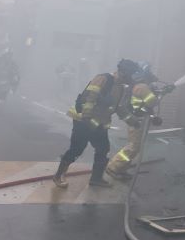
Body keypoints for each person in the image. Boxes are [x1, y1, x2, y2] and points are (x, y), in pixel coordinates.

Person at [52, 59, 141, 188]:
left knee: (103, 149)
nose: (131, 79)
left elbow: (118, 108)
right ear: (123, 73)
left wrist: (133, 121)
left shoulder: (120, 88)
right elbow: (89, 97)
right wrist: (87, 117)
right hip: (83, 120)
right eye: (130, 75)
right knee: (77, 149)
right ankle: (58, 175)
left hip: (98, 122)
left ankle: (96, 179)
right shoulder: (103, 79)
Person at [106, 62, 173, 180]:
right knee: (133, 147)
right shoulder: (142, 87)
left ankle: (121, 169)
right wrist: (163, 93)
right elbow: (152, 102)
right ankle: (113, 167)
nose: (152, 75)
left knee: (134, 147)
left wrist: (161, 92)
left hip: (137, 119)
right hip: (138, 121)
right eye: (149, 72)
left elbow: (148, 99)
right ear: (144, 74)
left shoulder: (139, 86)